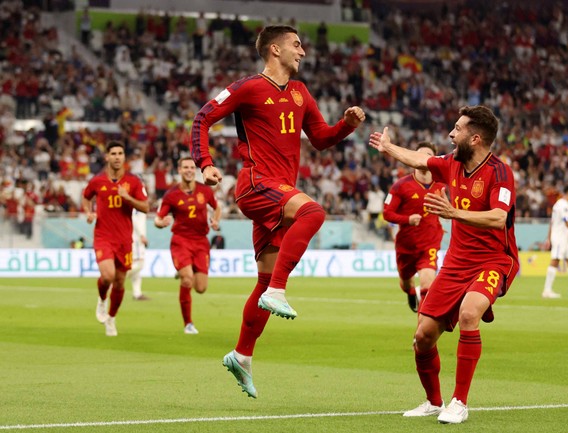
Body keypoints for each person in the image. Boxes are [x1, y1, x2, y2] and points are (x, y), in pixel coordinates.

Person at [190, 25, 365, 398]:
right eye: (297, 45)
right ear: (275, 49)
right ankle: (280, 290)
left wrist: (346, 127)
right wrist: (205, 163)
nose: (302, 52)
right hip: (256, 183)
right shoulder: (247, 87)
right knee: (314, 213)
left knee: (263, 281)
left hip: (278, 194)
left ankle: (242, 355)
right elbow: (201, 118)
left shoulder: (301, 93)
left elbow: (320, 139)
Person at [369, 105, 519, 424]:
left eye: (458, 129)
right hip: (456, 263)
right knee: (422, 336)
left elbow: (498, 217)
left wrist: (455, 214)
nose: (451, 134)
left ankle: (459, 402)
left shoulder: (500, 173)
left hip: (494, 260)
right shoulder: (451, 163)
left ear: (475, 138)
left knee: (468, 313)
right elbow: (419, 159)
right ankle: (433, 401)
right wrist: (387, 146)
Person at [82, 141, 149, 337]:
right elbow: (86, 197)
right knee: (108, 276)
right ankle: (102, 300)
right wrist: (88, 212)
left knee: (120, 283)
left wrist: (128, 198)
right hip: (103, 236)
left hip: (124, 241)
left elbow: (146, 207)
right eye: (113, 153)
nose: (117, 157)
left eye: (120, 153)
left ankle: (111, 318)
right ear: (107, 157)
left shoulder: (134, 182)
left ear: (124, 157)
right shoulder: (97, 181)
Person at [154, 157, 221, 334]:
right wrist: (162, 223)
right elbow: (158, 219)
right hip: (181, 241)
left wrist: (215, 220)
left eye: (192, 167)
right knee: (187, 279)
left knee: (200, 288)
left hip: (201, 242)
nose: (189, 170)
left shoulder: (205, 191)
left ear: (196, 170)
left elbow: (217, 207)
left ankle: (183, 269)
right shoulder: (171, 195)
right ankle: (188, 323)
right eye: (185, 167)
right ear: (179, 170)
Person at [383, 142, 445, 312]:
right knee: (405, 281)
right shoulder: (401, 186)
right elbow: (387, 213)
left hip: (430, 243)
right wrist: (407, 219)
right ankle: (410, 292)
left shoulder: (441, 185)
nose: (422, 158)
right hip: (406, 245)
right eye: (419, 154)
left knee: (427, 285)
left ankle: (425, 335)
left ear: (433, 159)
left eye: (427, 155)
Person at [129, 208, 150, 301]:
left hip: (136, 238)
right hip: (136, 239)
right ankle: (116, 280)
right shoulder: (138, 204)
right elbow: (135, 219)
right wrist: (142, 235)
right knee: (139, 264)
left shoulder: (140, 201)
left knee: (136, 269)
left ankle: (137, 293)